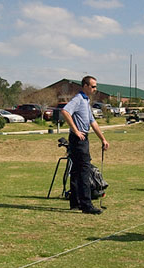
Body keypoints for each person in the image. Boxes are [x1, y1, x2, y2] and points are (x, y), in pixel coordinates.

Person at [61, 76, 109, 215]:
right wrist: (76, 130)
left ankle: (75, 202)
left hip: (83, 137)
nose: (95, 89)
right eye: (93, 86)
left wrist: (103, 139)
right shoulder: (78, 99)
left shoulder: (86, 101)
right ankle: (86, 205)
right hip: (78, 139)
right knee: (84, 170)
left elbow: (93, 123)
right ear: (86, 86)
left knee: (76, 171)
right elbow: (65, 111)